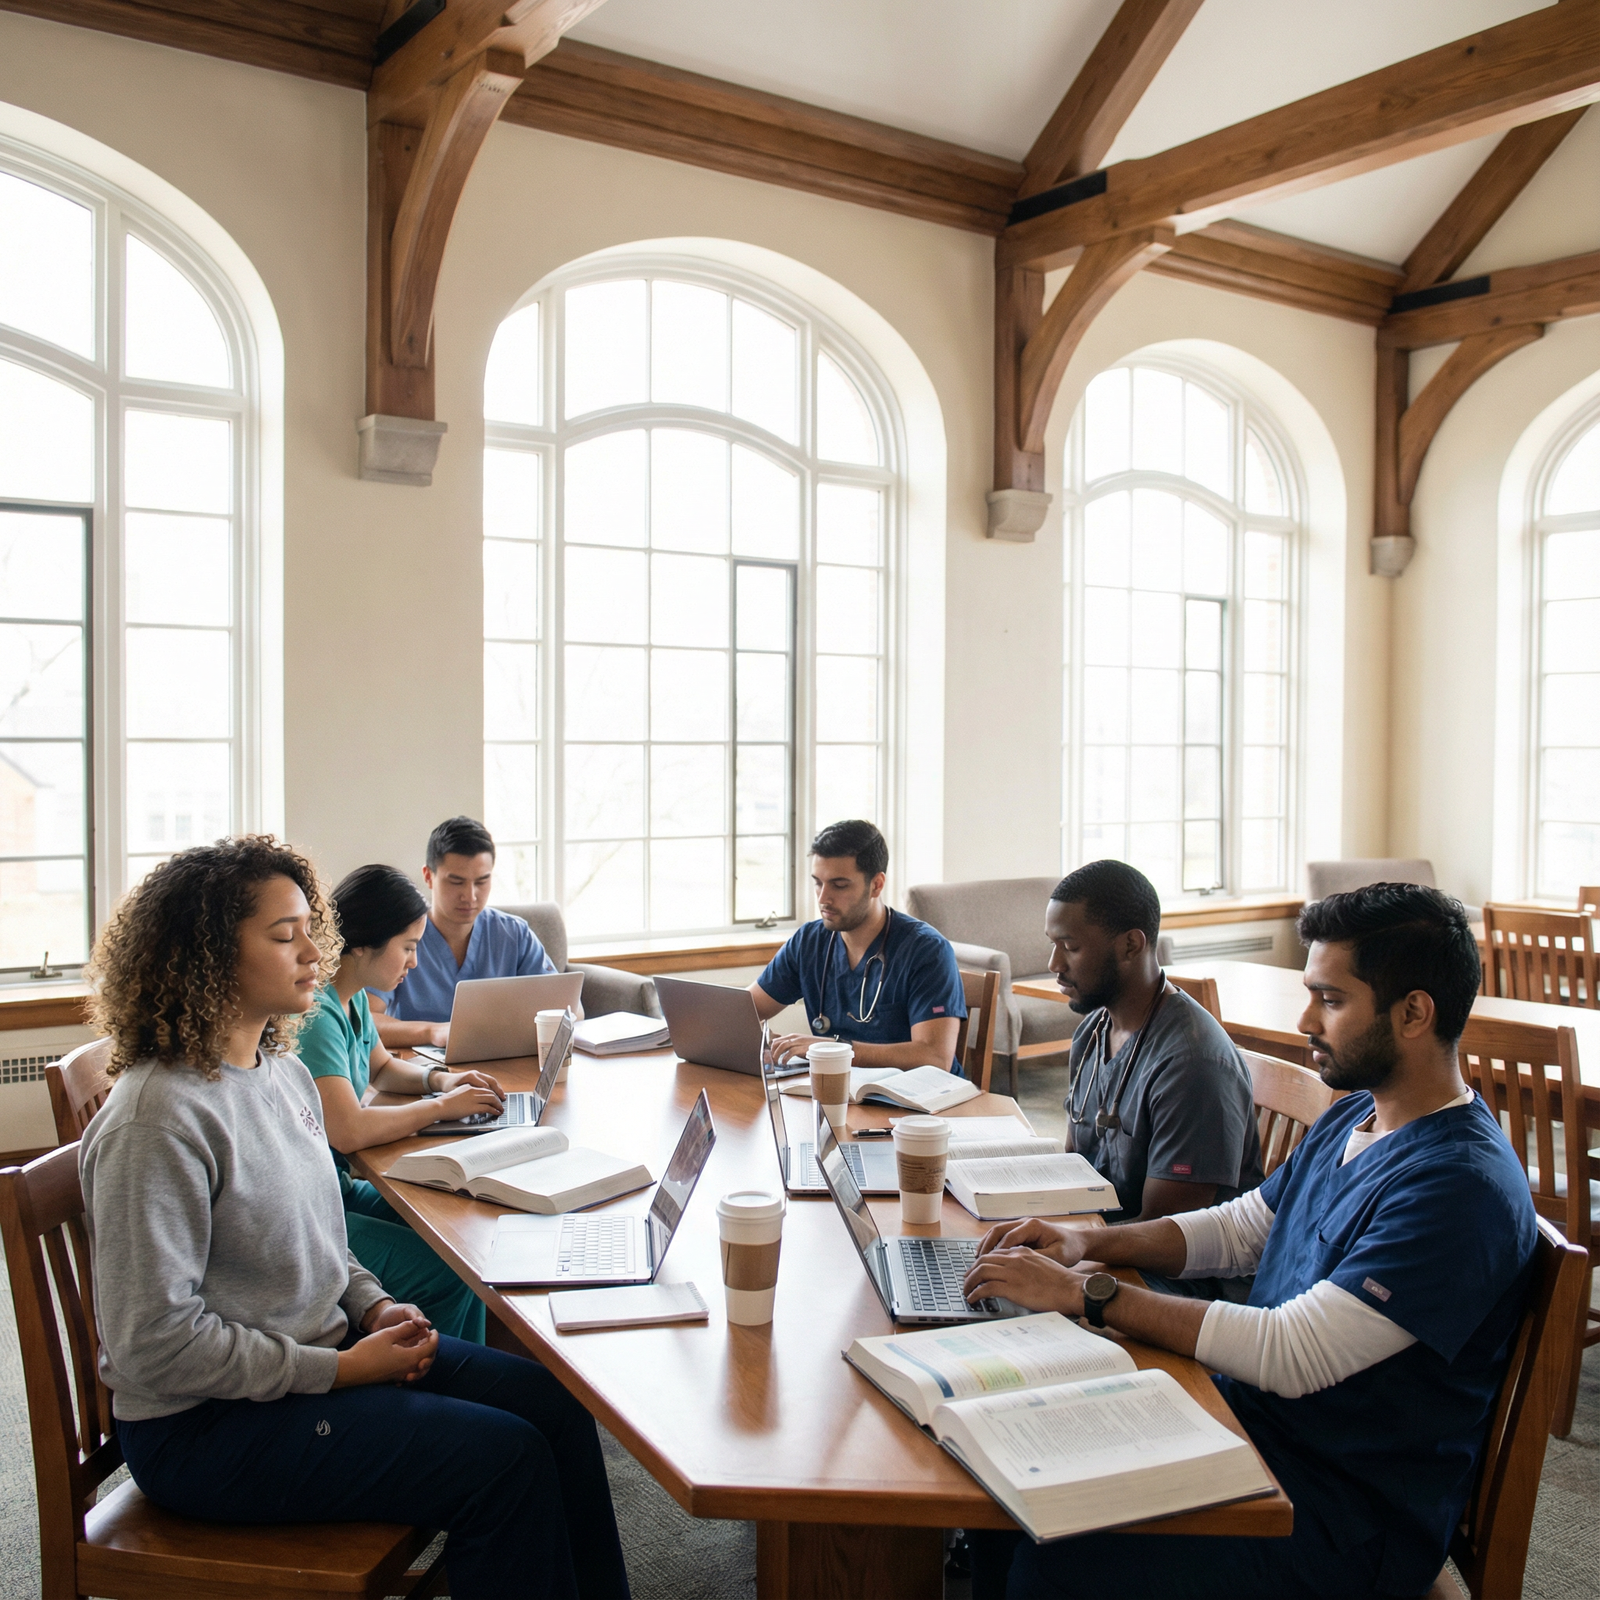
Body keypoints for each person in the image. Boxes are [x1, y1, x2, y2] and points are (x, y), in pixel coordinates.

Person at [79, 836, 630, 1600]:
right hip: (208, 1428)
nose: (316, 950)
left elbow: (323, 1241)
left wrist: (372, 1306)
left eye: (311, 928)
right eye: (285, 935)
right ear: (206, 957)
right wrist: (339, 1370)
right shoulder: (157, 1120)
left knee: (556, 1408)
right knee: (505, 1462)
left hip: (312, 1356)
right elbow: (155, 1348)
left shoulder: (283, 1074)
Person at [962, 883, 1538, 1600]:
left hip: (1341, 1509)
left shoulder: (1461, 1186)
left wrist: (1087, 1295)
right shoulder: (1357, 1113)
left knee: (1055, 1563)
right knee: (999, 1483)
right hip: (1251, 1424)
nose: (1306, 1020)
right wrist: (1088, 1244)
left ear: (1414, 1012)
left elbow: (1294, 1354)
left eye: (1330, 1000)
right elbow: (1240, 1231)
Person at [299, 862, 512, 1343]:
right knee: (456, 1270)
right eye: (408, 947)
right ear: (362, 943)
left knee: (459, 1225)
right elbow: (349, 1130)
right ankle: (454, 1380)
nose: (414, 962)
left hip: (340, 1189)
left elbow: (381, 1067)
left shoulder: (352, 997)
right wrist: (440, 1109)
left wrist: (443, 1081)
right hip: (317, 1206)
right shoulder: (317, 1017)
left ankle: (479, 1365)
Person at [1049, 860, 1262, 1245]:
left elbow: (1169, 1235)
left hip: (1172, 1277)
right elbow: (1073, 1161)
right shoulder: (1092, 1032)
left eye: (1070, 947)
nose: (1054, 965)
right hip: (1098, 1240)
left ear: (1131, 944)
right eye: (1053, 945)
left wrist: (1063, 1250)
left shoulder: (1192, 1066)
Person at [750, 819, 966, 1071]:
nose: (823, 898)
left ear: (876, 885)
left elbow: (935, 1057)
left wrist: (830, 1050)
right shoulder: (809, 941)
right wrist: (763, 1043)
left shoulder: (926, 950)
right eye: (818, 882)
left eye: (839, 885)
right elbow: (742, 1011)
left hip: (920, 1103)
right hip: (841, 1093)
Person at [368, 815, 564, 1049]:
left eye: (481, 881)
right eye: (456, 882)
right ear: (429, 877)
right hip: (419, 1068)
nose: (470, 896)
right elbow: (366, 1020)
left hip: (504, 1062)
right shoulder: (398, 936)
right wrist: (433, 1032)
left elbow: (569, 1010)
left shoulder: (515, 934)